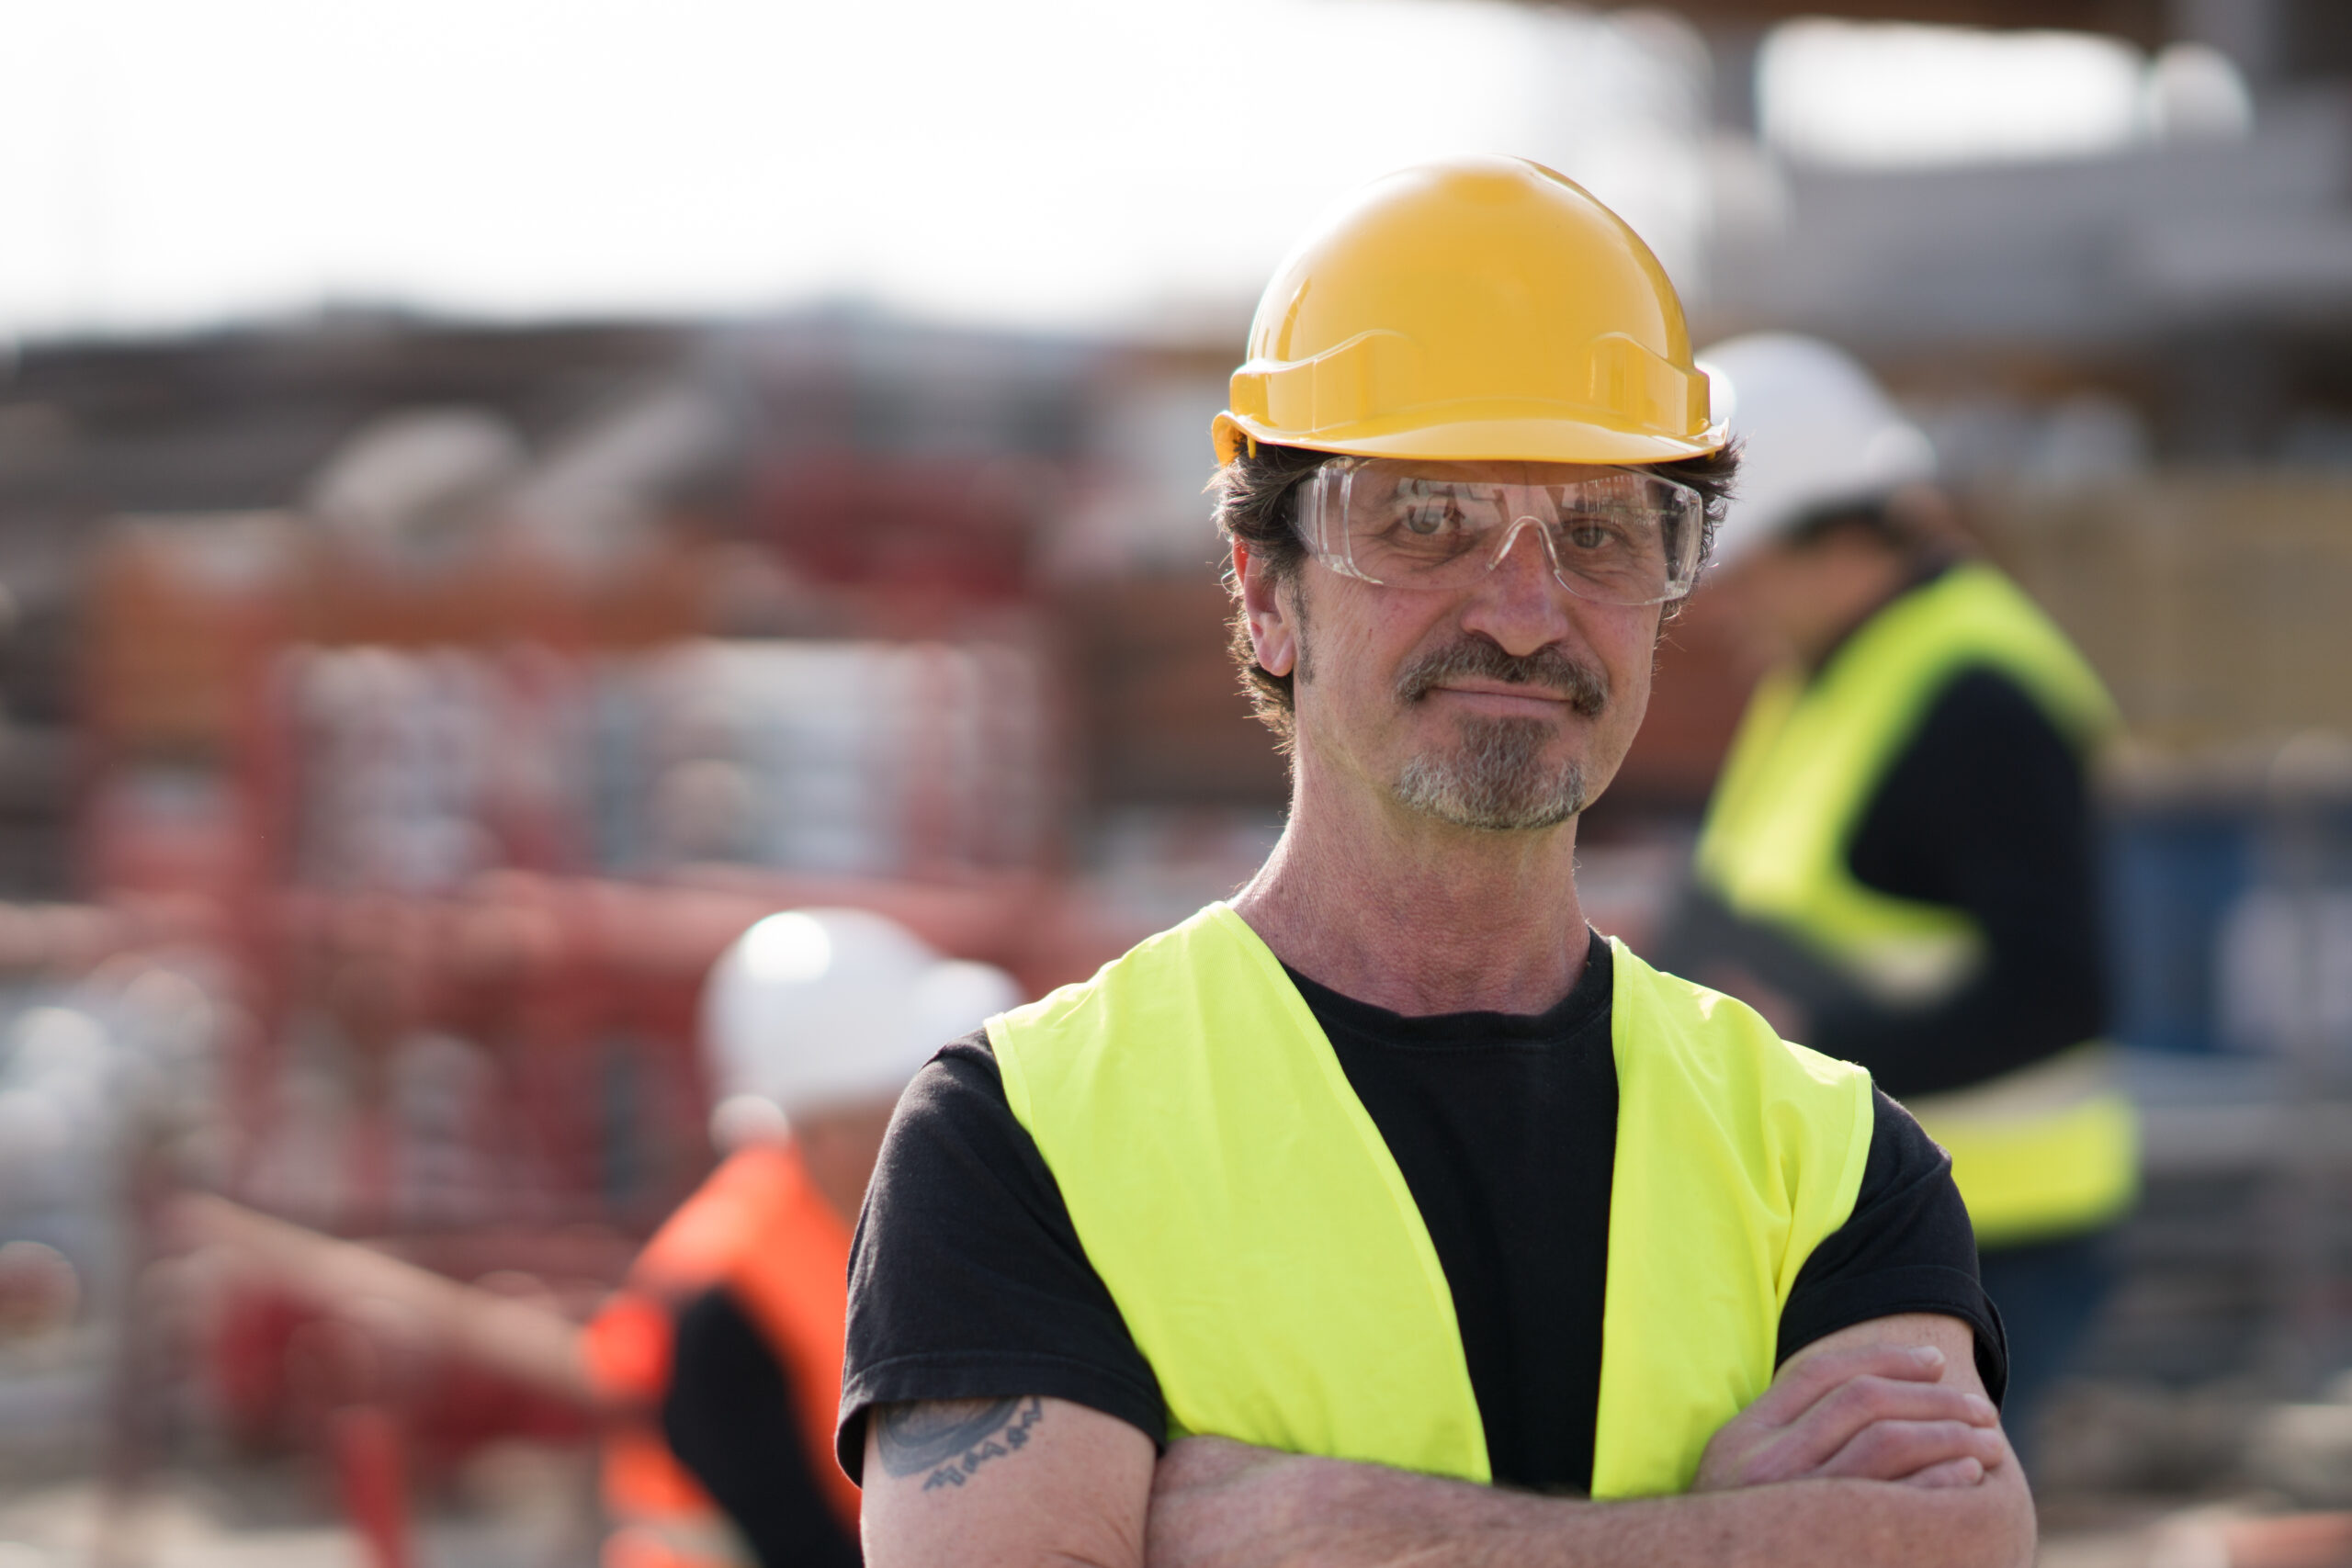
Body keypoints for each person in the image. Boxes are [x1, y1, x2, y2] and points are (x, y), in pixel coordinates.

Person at [844, 156, 2033, 1568]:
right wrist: (1735, 1530)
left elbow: (1952, 1547)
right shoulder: (1023, 1140)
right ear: (1266, 593)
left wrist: (1342, 1527)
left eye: (1599, 531)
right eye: (1424, 520)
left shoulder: (1828, 1153)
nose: (1527, 613)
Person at [181, 907, 1016, 1568]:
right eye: (918, 1095)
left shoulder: (861, 1229)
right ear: (829, 1121)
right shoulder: (721, 1298)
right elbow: (798, 1536)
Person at [1652, 333, 2136, 1461]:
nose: (1721, 606)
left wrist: (1808, 1048)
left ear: (1828, 536)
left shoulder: (1976, 694)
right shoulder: (1826, 673)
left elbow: (2057, 993)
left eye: (1740, 565)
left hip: (1988, 1242)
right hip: (1863, 1226)